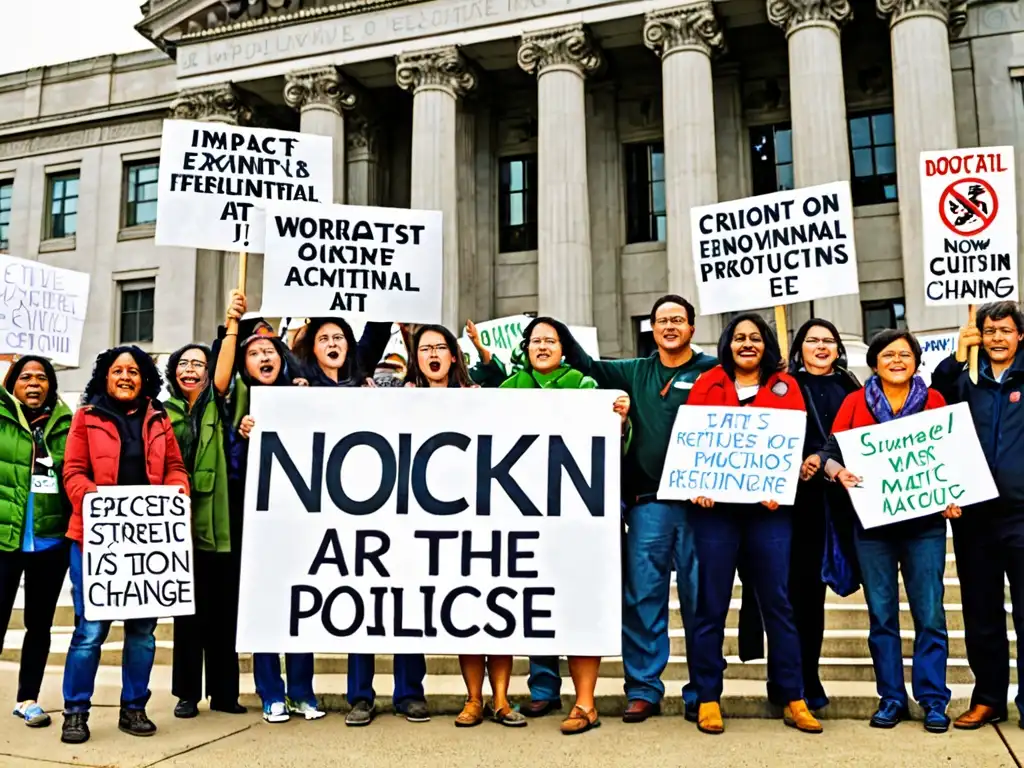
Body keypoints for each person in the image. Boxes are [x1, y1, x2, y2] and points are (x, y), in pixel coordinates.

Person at [563, 295, 716, 723]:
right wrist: (556, 328)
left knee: (702, 601)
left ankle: (704, 692)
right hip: (648, 505)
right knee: (642, 598)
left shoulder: (713, 371)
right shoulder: (635, 370)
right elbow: (588, 366)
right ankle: (644, 688)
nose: (669, 327)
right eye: (661, 320)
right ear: (652, 328)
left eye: (677, 320)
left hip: (701, 507)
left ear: (691, 327)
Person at [685, 313, 820, 736]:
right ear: (728, 343)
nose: (747, 344)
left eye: (755, 338)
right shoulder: (709, 383)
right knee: (710, 604)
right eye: (740, 337)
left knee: (779, 603)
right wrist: (698, 484)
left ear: (766, 345)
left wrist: (784, 477)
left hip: (769, 512)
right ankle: (707, 696)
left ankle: (792, 696)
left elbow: (795, 441)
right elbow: (694, 439)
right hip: (716, 513)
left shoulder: (787, 386)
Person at [498, 317, 631, 734]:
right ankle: (542, 689)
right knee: (535, 599)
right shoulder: (506, 391)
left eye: (549, 341)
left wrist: (621, 422)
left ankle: (585, 703)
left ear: (562, 348)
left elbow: (614, 448)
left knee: (577, 603)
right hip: (522, 513)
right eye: (535, 341)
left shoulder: (587, 387)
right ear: (526, 348)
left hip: (576, 518)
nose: (541, 347)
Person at [826, 329, 961, 734]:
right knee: (881, 616)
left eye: (905, 354)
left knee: (930, 615)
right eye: (889, 354)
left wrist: (954, 492)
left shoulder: (934, 400)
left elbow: (952, 453)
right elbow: (831, 454)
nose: (898, 360)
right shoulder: (853, 403)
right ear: (874, 362)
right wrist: (838, 473)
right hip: (873, 528)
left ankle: (934, 700)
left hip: (924, 528)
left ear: (917, 361)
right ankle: (891, 698)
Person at [60, 346, 190, 744]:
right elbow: (74, 472)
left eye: (134, 370)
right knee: (90, 631)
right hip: (95, 540)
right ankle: (75, 712)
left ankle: (134, 707)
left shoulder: (159, 418)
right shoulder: (86, 416)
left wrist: (177, 492)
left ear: (145, 377)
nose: (126, 377)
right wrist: (97, 502)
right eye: (118, 370)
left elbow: (175, 468)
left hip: (148, 546)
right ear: (105, 376)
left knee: (143, 632)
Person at [213, 291, 324, 725]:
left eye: (270, 351)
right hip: (255, 524)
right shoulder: (236, 408)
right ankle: (271, 692)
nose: (264, 357)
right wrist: (241, 436)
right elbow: (233, 473)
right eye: (255, 353)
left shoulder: (303, 394)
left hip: (300, 521)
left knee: (301, 604)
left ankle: (302, 691)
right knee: (265, 604)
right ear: (245, 364)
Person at [931, 301, 1024, 729]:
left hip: (1022, 516)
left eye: (1005, 330)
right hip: (975, 517)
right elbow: (933, 394)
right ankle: (988, 698)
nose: (997, 338)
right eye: (990, 331)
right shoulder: (964, 377)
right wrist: (955, 354)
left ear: (1019, 335)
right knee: (981, 614)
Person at [780, 319, 861, 711]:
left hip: (843, 503)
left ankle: (807, 676)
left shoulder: (851, 387)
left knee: (822, 597)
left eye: (829, 339)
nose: (821, 346)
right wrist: (793, 463)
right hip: (798, 505)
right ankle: (798, 681)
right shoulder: (783, 385)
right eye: (813, 340)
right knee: (800, 596)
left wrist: (827, 459)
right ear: (799, 348)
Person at [165, 333, 246, 718]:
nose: (191, 369)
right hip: (178, 526)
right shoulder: (162, 412)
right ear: (172, 373)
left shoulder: (218, 403)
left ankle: (225, 693)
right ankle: (186, 693)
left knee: (223, 612)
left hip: (219, 523)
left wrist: (232, 325)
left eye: (199, 363)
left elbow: (226, 366)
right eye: (183, 363)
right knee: (187, 612)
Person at [0, 356, 72, 728]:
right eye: (25, 376)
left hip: (50, 542)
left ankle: (27, 698)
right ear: (12, 383)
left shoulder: (66, 424)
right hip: (3, 539)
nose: (33, 383)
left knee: (39, 625)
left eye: (41, 377)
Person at [291, 316, 393, 387]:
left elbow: (377, 332)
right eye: (323, 339)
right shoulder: (302, 383)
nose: (332, 344)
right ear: (313, 348)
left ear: (348, 345)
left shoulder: (360, 379)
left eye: (338, 337)